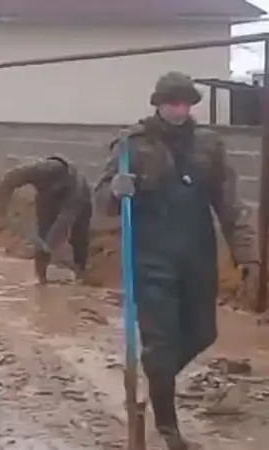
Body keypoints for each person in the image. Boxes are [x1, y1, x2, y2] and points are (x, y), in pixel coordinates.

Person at [95, 71, 258, 450]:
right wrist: (117, 192)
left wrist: (247, 254)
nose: (178, 109)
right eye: (172, 102)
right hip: (151, 258)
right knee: (161, 342)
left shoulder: (209, 146)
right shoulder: (131, 144)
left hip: (197, 255)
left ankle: (156, 384)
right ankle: (168, 430)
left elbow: (230, 206)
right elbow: (101, 202)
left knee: (204, 333)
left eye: (185, 103)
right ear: (158, 104)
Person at [0, 156, 92, 284]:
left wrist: (47, 246)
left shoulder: (77, 189)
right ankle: (41, 279)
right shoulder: (36, 171)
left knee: (79, 237)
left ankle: (80, 272)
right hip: (46, 200)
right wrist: (1, 208)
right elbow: (10, 180)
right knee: (43, 231)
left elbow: (64, 221)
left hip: (78, 205)